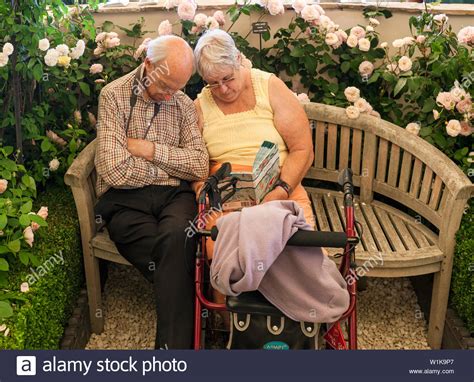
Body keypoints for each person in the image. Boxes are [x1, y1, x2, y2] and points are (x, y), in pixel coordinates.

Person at [94, 35, 209, 349]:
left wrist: (148, 150)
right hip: (124, 200)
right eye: (167, 86)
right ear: (148, 66)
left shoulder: (182, 103)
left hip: (175, 198)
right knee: (178, 254)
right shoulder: (114, 96)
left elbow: (199, 165)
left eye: (179, 87)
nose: (172, 95)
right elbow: (113, 169)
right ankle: (203, 303)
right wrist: (172, 168)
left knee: (178, 237)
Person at [192, 29, 316, 310]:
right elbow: (195, 165)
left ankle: (295, 322)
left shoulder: (267, 87)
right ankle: (232, 326)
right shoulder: (200, 106)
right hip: (225, 193)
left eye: (227, 79)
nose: (222, 89)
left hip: (280, 183)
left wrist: (282, 189)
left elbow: (302, 149)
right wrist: (203, 189)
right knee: (219, 245)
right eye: (213, 83)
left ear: (238, 60)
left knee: (300, 244)